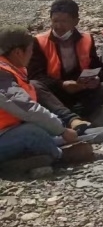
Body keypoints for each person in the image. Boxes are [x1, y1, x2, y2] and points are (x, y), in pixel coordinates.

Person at [0, 28, 93, 167]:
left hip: (8, 131)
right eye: (30, 50)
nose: (32, 54)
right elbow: (27, 108)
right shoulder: (3, 76)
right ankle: (60, 157)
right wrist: (61, 130)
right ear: (18, 52)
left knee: (43, 131)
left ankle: (33, 157)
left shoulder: (12, 69)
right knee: (32, 133)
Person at [28, 0, 103, 125]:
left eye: (64, 21)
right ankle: (73, 117)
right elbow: (35, 75)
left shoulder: (86, 39)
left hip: (80, 89)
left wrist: (95, 80)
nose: (58, 26)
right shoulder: (39, 41)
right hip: (55, 91)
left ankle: (68, 114)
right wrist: (62, 85)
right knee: (34, 85)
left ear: (75, 21)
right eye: (55, 21)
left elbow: (96, 66)